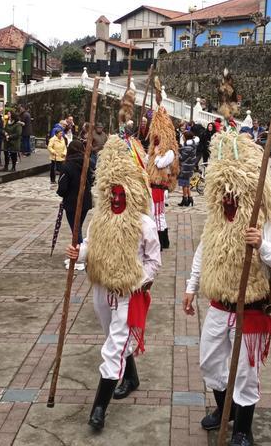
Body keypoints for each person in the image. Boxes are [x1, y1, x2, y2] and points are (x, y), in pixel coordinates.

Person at [182, 132, 271, 445]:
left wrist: (262, 245)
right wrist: (191, 286)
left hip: (251, 310)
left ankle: (243, 428)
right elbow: (204, 251)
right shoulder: (216, 221)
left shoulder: (264, 221)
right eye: (222, 193)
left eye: (233, 193)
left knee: (245, 372)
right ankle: (224, 409)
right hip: (219, 305)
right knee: (210, 362)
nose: (227, 199)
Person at [65, 135, 161, 432]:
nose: (116, 198)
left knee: (113, 348)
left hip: (128, 294)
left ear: (131, 193)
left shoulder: (144, 223)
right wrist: (78, 251)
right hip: (101, 290)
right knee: (113, 340)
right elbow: (91, 246)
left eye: (121, 193)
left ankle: (98, 409)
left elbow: (154, 263)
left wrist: (137, 283)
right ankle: (131, 377)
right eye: (112, 194)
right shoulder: (98, 219)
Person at [146, 106, 180, 249]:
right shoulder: (155, 151)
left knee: (158, 214)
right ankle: (163, 241)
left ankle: (161, 241)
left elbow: (160, 164)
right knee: (156, 213)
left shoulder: (170, 152)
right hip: (153, 186)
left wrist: (157, 153)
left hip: (161, 187)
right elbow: (147, 160)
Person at [57, 140, 93, 265]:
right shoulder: (88, 163)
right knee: (77, 228)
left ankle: (78, 255)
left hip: (73, 202)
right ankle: (79, 251)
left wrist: (62, 193)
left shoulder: (67, 166)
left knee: (76, 229)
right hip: (85, 201)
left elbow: (62, 187)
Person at [178, 131, 199, 207]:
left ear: (186, 137)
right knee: (186, 183)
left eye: (183, 136)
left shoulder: (187, 147)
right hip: (189, 167)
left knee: (184, 184)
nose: (182, 137)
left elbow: (182, 158)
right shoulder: (192, 145)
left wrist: (177, 153)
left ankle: (185, 199)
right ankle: (190, 198)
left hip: (185, 167)